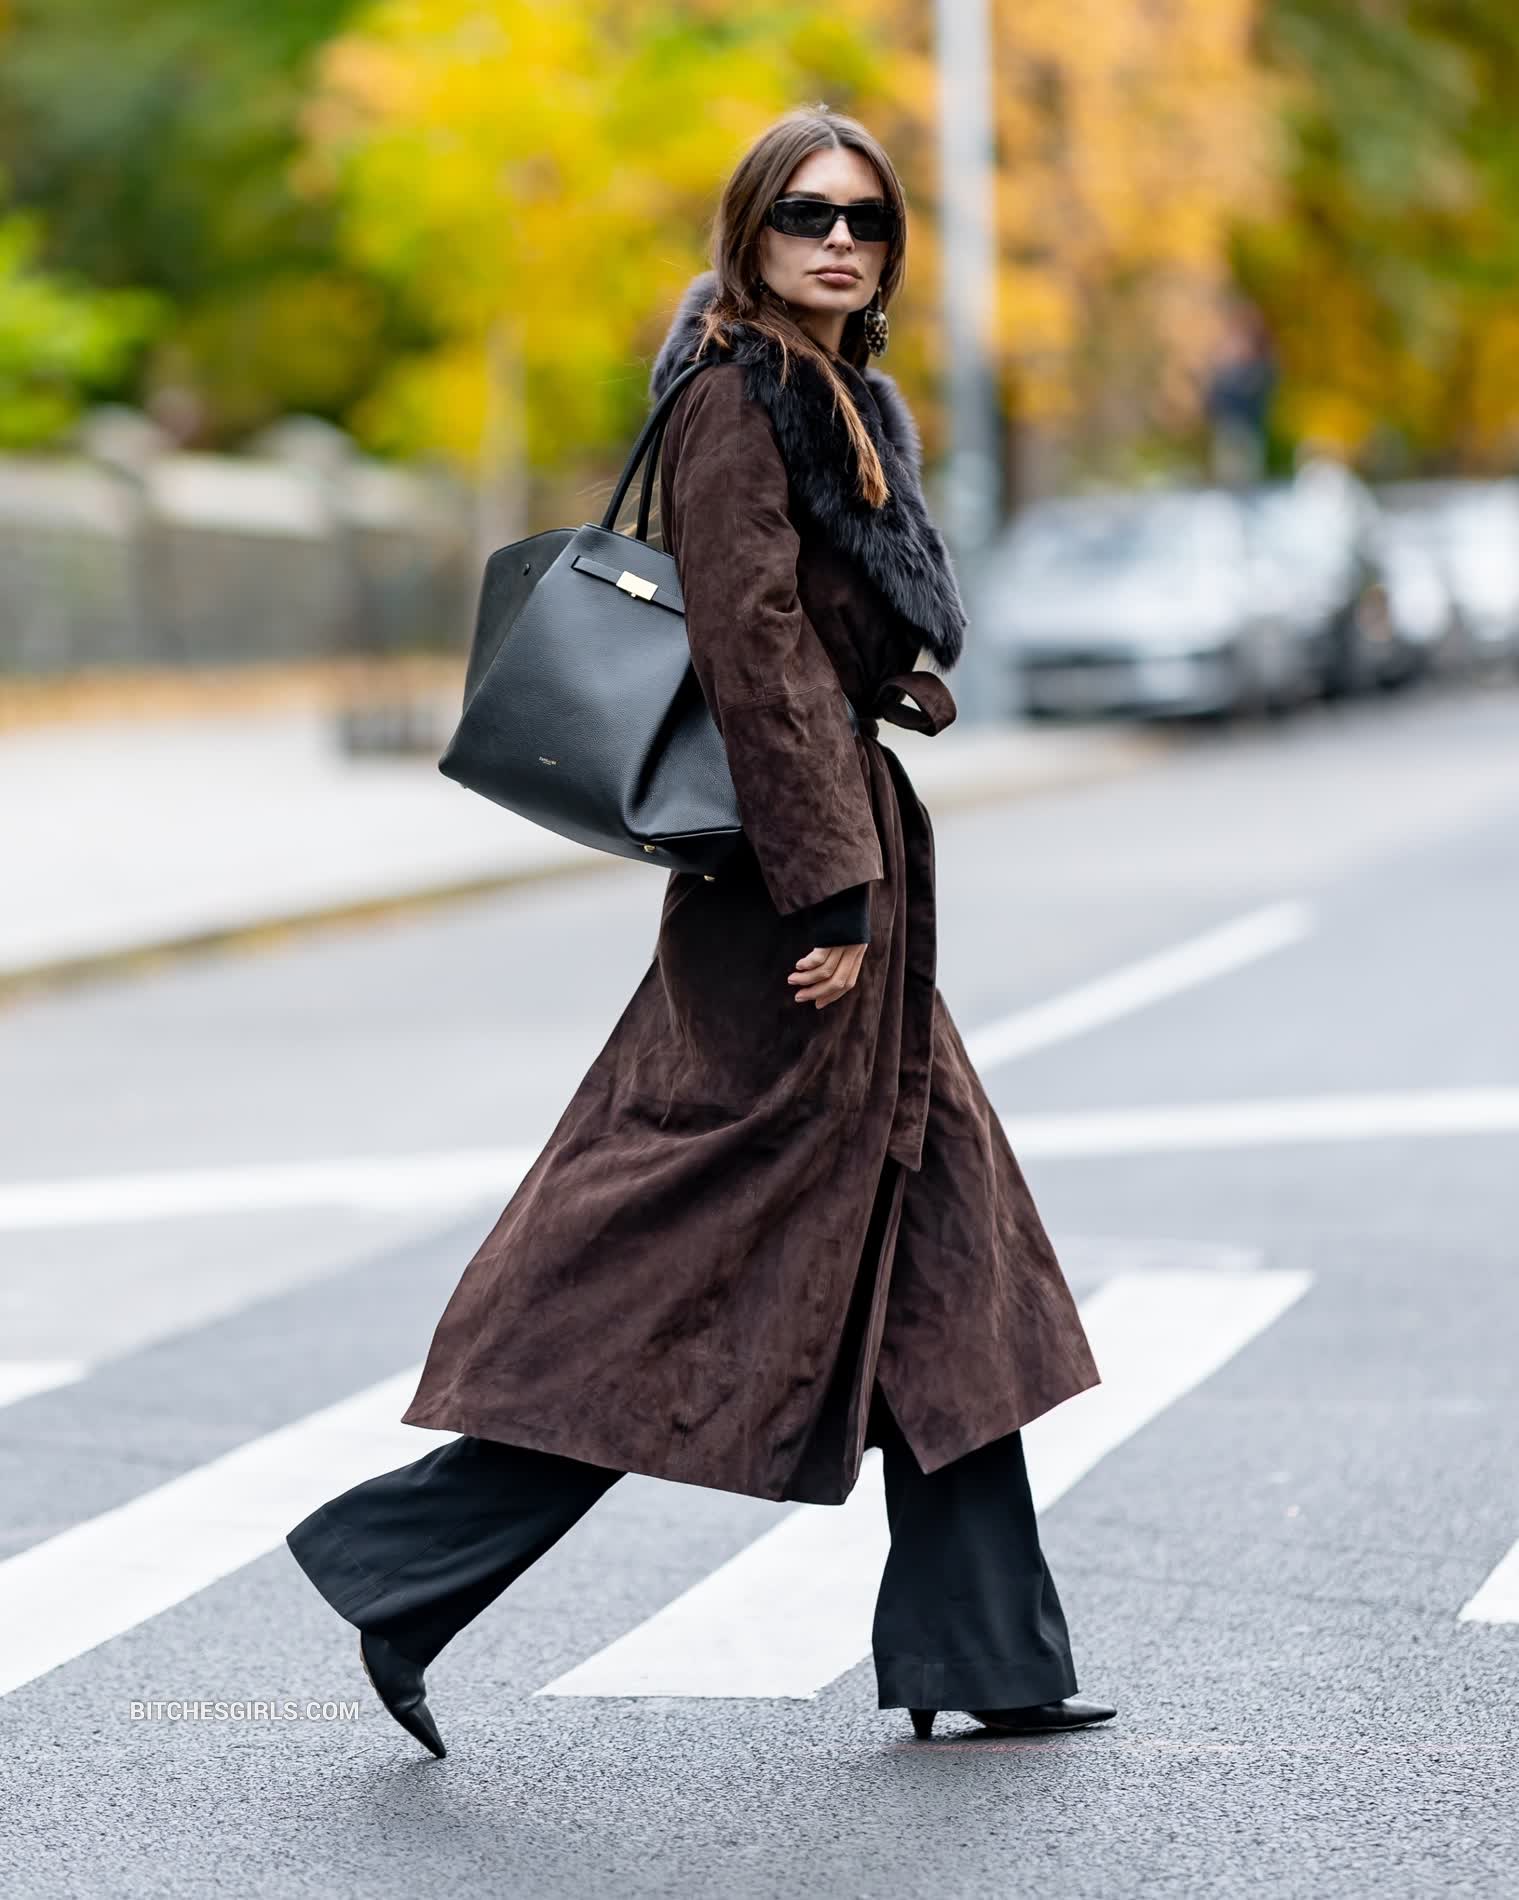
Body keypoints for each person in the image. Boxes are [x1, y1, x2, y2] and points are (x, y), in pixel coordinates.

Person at [285, 105, 1115, 1758]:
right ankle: (402, 1560)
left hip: (845, 875)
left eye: (866, 220)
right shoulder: (743, 396)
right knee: (675, 1257)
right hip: (792, 904)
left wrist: (892, 686)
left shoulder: (838, 395)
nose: (839, 240)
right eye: (807, 213)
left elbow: (814, 636)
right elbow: (747, 650)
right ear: (752, 230)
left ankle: (989, 1652)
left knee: (952, 1265)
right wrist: (833, 888)